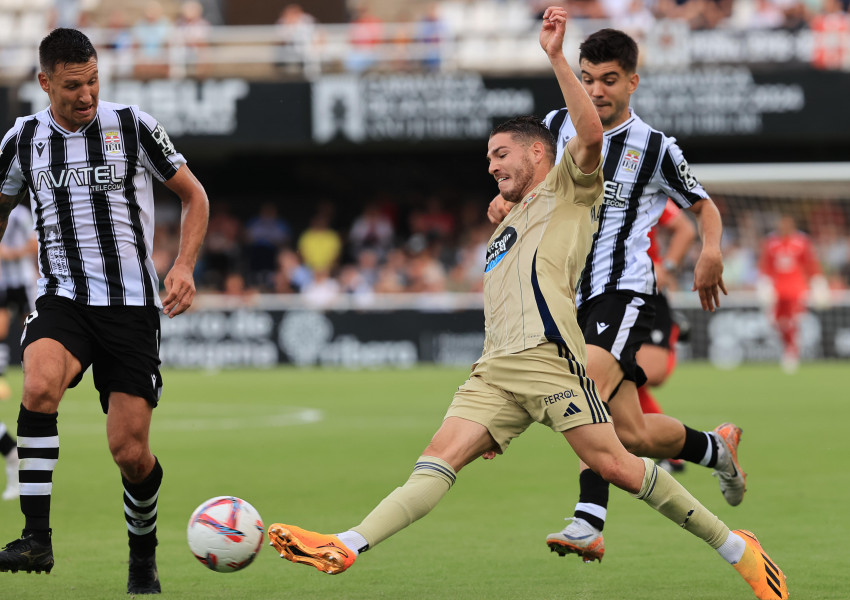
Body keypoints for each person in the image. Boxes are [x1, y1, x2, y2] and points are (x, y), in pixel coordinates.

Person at [267, 9, 787, 600]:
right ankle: (346, 544)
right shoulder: (508, 221)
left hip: (564, 348)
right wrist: (504, 207)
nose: (490, 167)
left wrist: (557, 58)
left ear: (540, 155)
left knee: (619, 460)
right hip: (497, 369)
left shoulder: (575, 182)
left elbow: (588, 139)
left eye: (499, 156)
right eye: (488, 159)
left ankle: (732, 548)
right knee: (444, 458)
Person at [487, 27, 741, 566]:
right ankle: (715, 448)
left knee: (584, 393)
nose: (596, 91)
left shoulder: (655, 147)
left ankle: (588, 521)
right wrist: (503, 203)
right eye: (587, 79)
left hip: (624, 293)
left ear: (632, 81)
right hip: (569, 297)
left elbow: (704, 207)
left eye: (608, 80)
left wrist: (710, 250)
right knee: (635, 434)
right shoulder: (557, 128)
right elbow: (528, 188)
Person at [0, 28, 209, 595]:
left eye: (93, 80)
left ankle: (143, 557)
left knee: (130, 451)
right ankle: (35, 537)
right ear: (45, 83)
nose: (87, 94)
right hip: (62, 296)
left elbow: (195, 195)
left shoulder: (133, 126)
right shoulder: (22, 141)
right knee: (39, 385)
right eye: (73, 85)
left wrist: (184, 265)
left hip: (130, 307)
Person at [638, 199, 697, 473]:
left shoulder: (643, 183)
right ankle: (670, 454)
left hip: (646, 291)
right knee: (612, 381)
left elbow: (685, 228)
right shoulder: (577, 183)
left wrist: (668, 267)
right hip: (602, 294)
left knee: (645, 376)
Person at [757, 214, 828, 373]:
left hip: (797, 288)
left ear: (793, 225)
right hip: (778, 289)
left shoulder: (802, 242)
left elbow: (811, 264)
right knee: (777, 322)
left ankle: (792, 353)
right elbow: (765, 266)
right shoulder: (771, 243)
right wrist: (764, 284)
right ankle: (788, 349)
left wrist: (818, 282)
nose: (784, 226)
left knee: (793, 321)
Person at [0, 201, 39, 401]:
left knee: (31, 328)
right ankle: (0, 380)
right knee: (0, 330)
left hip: (24, 282)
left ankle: (36, 373)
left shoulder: (20, 214)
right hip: (3, 281)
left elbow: (34, 244)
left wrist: (12, 253)